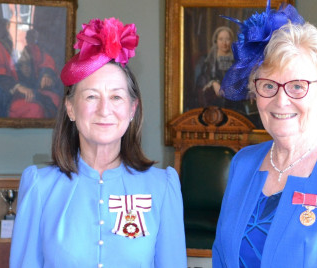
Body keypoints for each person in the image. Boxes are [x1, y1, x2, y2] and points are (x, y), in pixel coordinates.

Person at [213, 2, 317, 267]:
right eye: (268, 85)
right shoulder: (242, 163)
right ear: (254, 92)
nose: (281, 101)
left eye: (297, 86)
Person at [10, 17, 187, 267]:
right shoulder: (40, 187)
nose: (105, 110)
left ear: (132, 109)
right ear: (71, 108)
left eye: (116, 97)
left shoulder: (163, 187)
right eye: (92, 96)